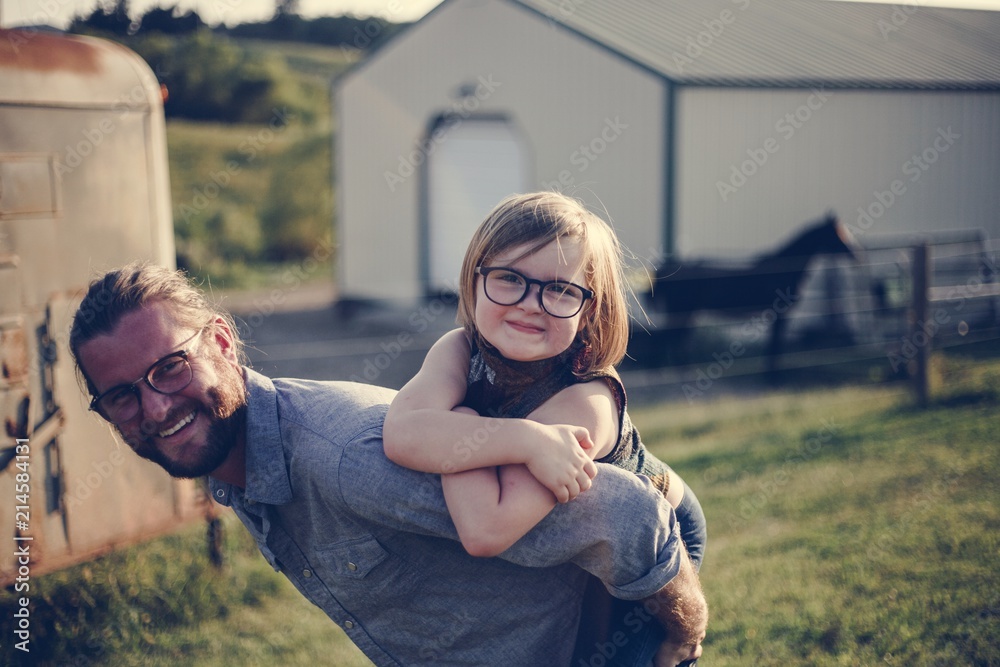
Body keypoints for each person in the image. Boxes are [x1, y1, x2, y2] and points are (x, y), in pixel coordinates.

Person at [69, 261, 707, 667]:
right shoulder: (240, 467)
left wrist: (682, 631)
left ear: (223, 343)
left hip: (596, 638)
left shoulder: (347, 459)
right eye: (123, 395)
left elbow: (627, 511)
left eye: (170, 367)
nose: (154, 407)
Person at [383, 191, 707, 666]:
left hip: (658, 529)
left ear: (589, 309)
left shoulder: (584, 400)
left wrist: (455, 428)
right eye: (510, 278)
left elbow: (485, 528)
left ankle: (682, 643)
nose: (531, 304)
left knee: (623, 653)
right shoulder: (458, 349)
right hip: (578, 525)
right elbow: (403, 433)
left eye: (560, 289)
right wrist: (518, 438)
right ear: (475, 280)